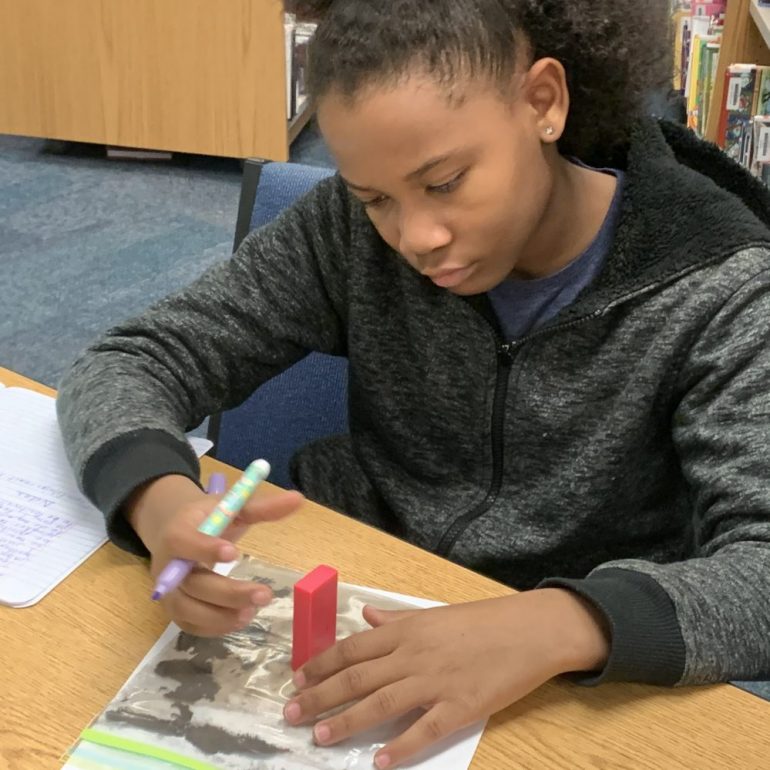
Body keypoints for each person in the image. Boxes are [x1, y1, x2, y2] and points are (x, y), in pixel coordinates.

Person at [57, 0, 770, 767]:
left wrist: (564, 622)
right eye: (377, 198)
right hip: (366, 595)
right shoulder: (349, 231)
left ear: (543, 103)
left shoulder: (723, 288)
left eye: (447, 182)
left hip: (572, 674)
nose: (415, 239)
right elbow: (132, 359)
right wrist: (157, 498)